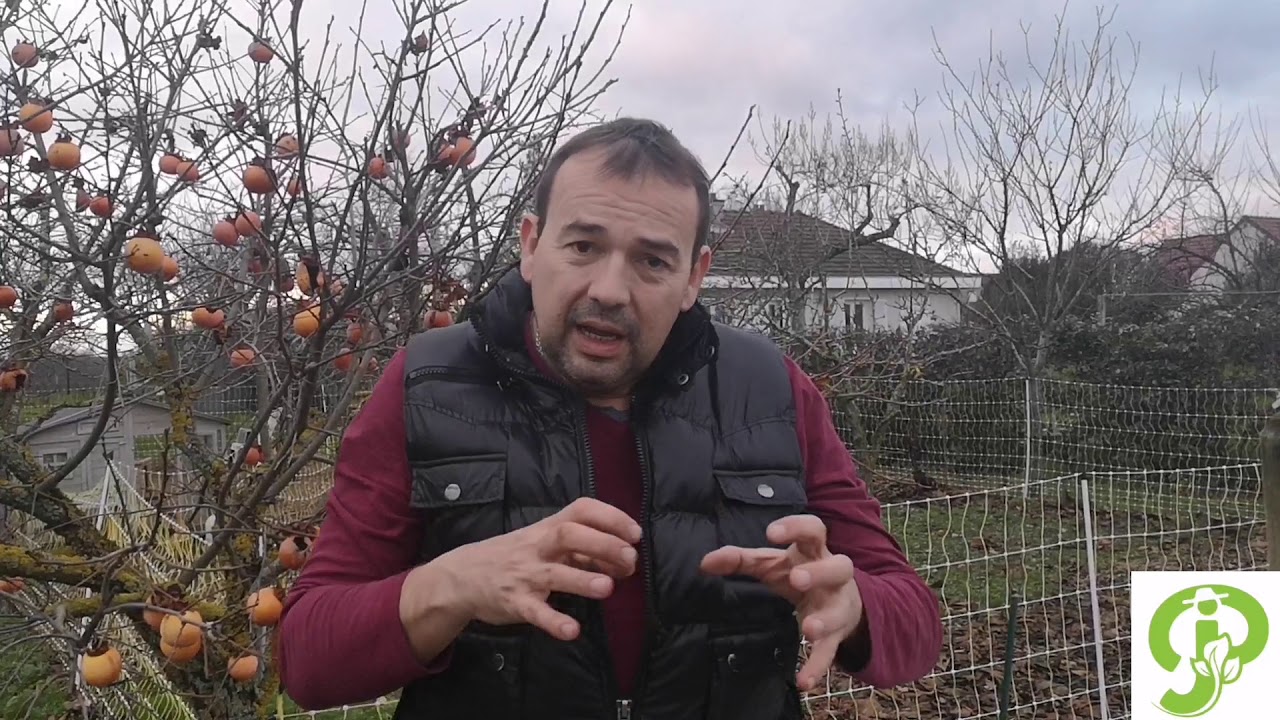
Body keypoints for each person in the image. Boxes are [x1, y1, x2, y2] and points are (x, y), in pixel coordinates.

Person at [277, 117, 944, 719]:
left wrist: (854, 610)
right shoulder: (427, 385)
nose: (609, 290)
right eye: (584, 247)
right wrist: (451, 586)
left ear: (694, 276)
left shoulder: (768, 390)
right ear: (533, 245)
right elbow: (307, 660)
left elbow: (915, 624)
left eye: (652, 261)